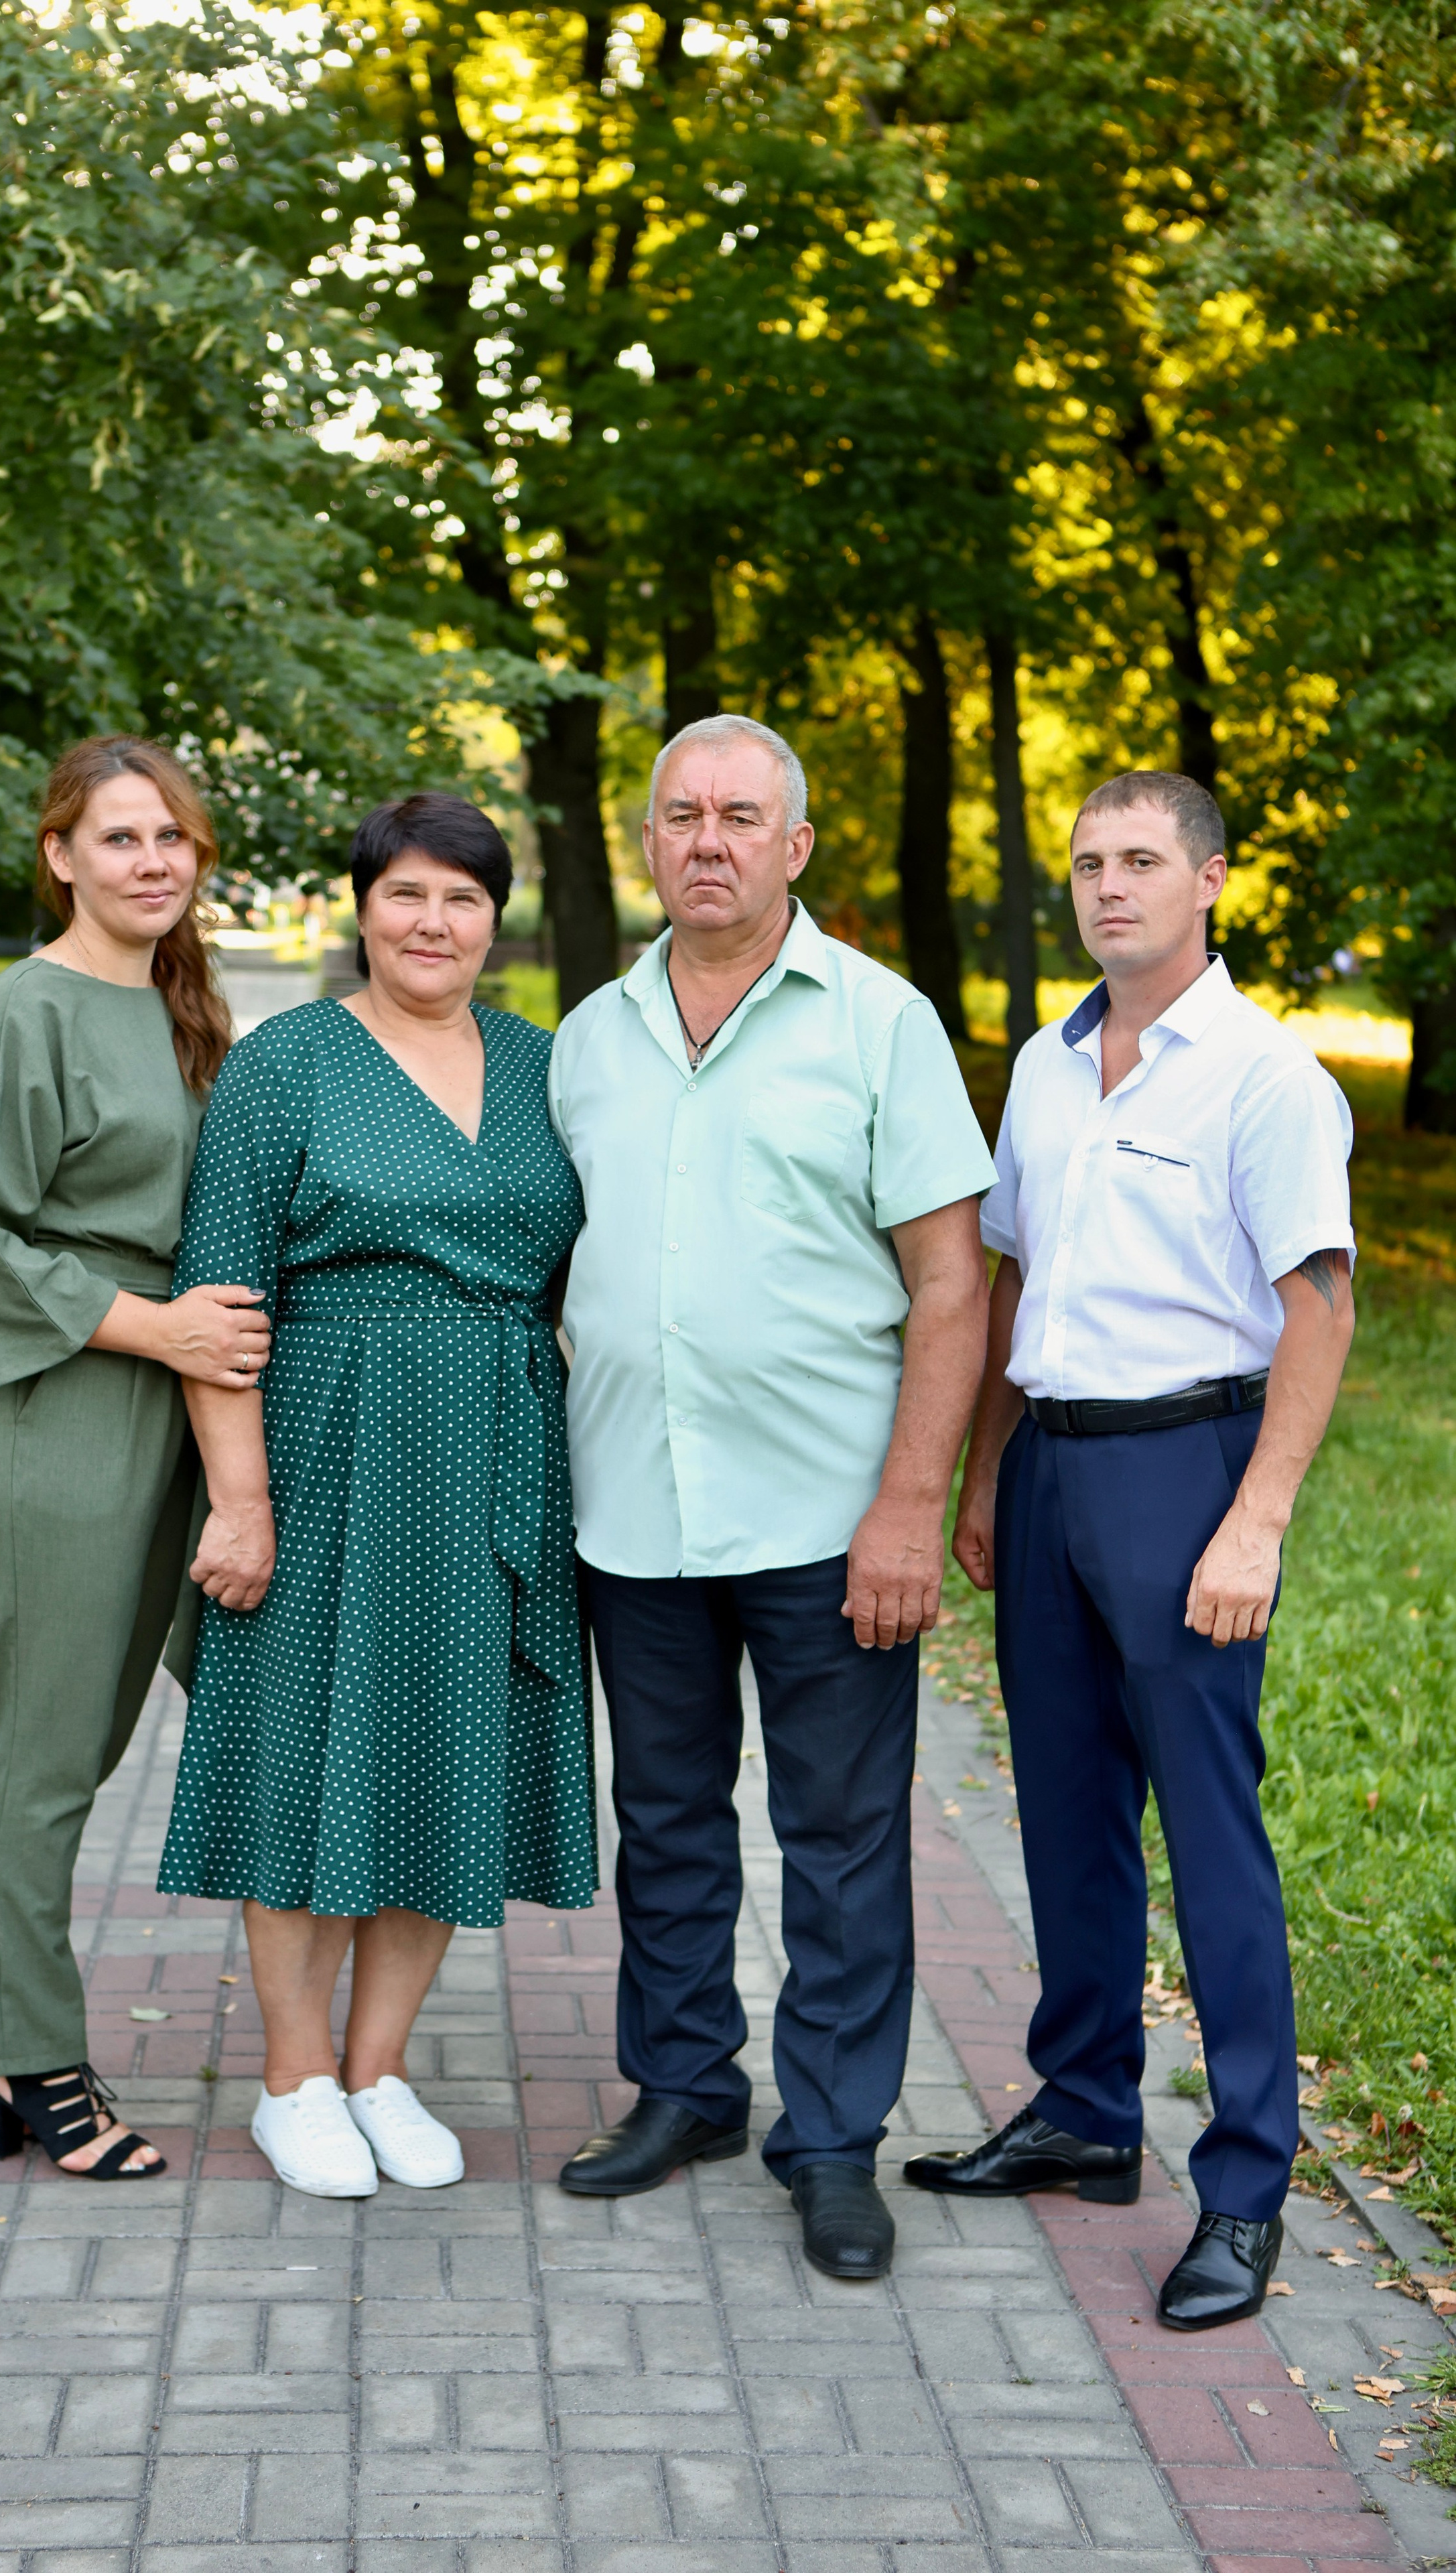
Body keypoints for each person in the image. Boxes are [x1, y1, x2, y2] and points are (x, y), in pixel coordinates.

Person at [547, 713, 995, 2281]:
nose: (707, 840)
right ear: (646, 842)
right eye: (681, 814)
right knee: (663, 1821)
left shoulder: (879, 1022)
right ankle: (684, 2089)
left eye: (740, 816)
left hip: (827, 1520)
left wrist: (909, 1506)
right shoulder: (587, 1037)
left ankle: (831, 2142)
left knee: (841, 1840)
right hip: (632, 1508)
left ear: (793, 846)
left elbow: (950, 1284)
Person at [906, 770, 1355, 2332]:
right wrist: (984, 1472)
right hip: (1048, 1468)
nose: (1108, 886)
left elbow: (1318, 1309)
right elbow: (1010, 1278)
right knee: (1064, 1811)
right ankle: (1085, 2112)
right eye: (1089, 860)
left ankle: (1242, 2187)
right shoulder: (1041, 1068)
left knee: (1207, 1832)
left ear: (1208, 879)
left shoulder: (1262, 1077)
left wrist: (1256, 1520)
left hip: (1186, 1471)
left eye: (1141, 860)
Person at [157, 792, 593, 2198]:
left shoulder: (541, 1066)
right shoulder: (284, 1065)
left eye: (462, 899)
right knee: (304, 1749)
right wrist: (241, 1502)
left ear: (495, 919)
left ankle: (377, 2068)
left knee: (451, 1748)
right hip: (330, 1441)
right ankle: (291, 2079)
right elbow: (221, 1300)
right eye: (406, 893)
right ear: (361, 908)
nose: (433, 922)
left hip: (498, 1452)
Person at [0, 735, 270, 2179]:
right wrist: (158, 1329)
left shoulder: (178, 1006)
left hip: (161, 1413)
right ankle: (33, 2058)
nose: (153, 862)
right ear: (60, 856)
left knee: (69, 1746)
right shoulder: (23, 1014)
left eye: (173, 837)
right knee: (45, 1756)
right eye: (121, 838)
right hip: (49, 1414)